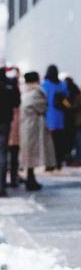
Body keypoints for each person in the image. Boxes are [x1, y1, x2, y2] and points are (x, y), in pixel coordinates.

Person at [20, 72, 55, 190]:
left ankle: (30, 177)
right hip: (33, 126)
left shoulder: (24, 92)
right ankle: (30, 179)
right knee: (31, 153)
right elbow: (43, 106)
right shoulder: (36, 92)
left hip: (26, 125)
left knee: (29, 153)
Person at [41, 65, 68, 170]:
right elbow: (66, 97)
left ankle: (49, 164)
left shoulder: (45, 85)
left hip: (48, 117)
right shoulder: (62, 85)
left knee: (48, 143)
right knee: (59, 142)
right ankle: (59, 162)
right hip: (60, 117)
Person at [0, 67, 20, 197]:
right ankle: (1, 187)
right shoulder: (10, 84)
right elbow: (17, 103)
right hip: (5, 122)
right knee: (2, 154)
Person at [7, 67, 20, 188]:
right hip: (12, 126)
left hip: (9, 126)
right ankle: (13, 178)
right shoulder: (15, 90)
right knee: (13, 155)